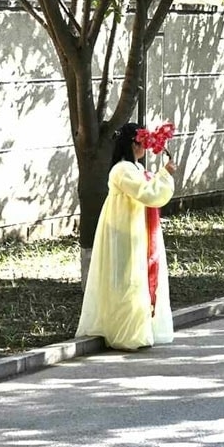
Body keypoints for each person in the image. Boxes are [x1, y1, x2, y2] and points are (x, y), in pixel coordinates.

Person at [77, 122, 178, 351]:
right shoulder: (122, 170)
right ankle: (124, 332)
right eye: (142, 143)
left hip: (136, 229)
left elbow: (149, 192)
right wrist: (164, 174)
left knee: (136, 277)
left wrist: (161, 176)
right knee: (125, 278)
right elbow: (146, 193)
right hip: (122, 230)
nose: (145, 147)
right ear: (133, 143)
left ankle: (139, 328)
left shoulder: (135, 169)